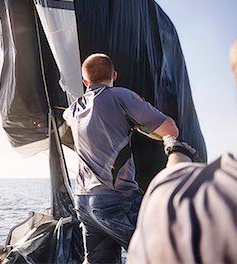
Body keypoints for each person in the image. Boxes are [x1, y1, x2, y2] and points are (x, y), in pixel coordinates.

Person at [127, 30, 237, 263]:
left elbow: (174, 183)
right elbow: (169, 129)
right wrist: (172, 142)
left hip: (88, 201)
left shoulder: (175, 201)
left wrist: (175, 151)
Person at [63, 53, 179, 263]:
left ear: (85, 82)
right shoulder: (120, 96)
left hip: (84, 203)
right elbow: (170, 130)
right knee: (163, 255)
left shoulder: (72, 110)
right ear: (114, 75)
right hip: (117, 202)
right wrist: (136, 124)